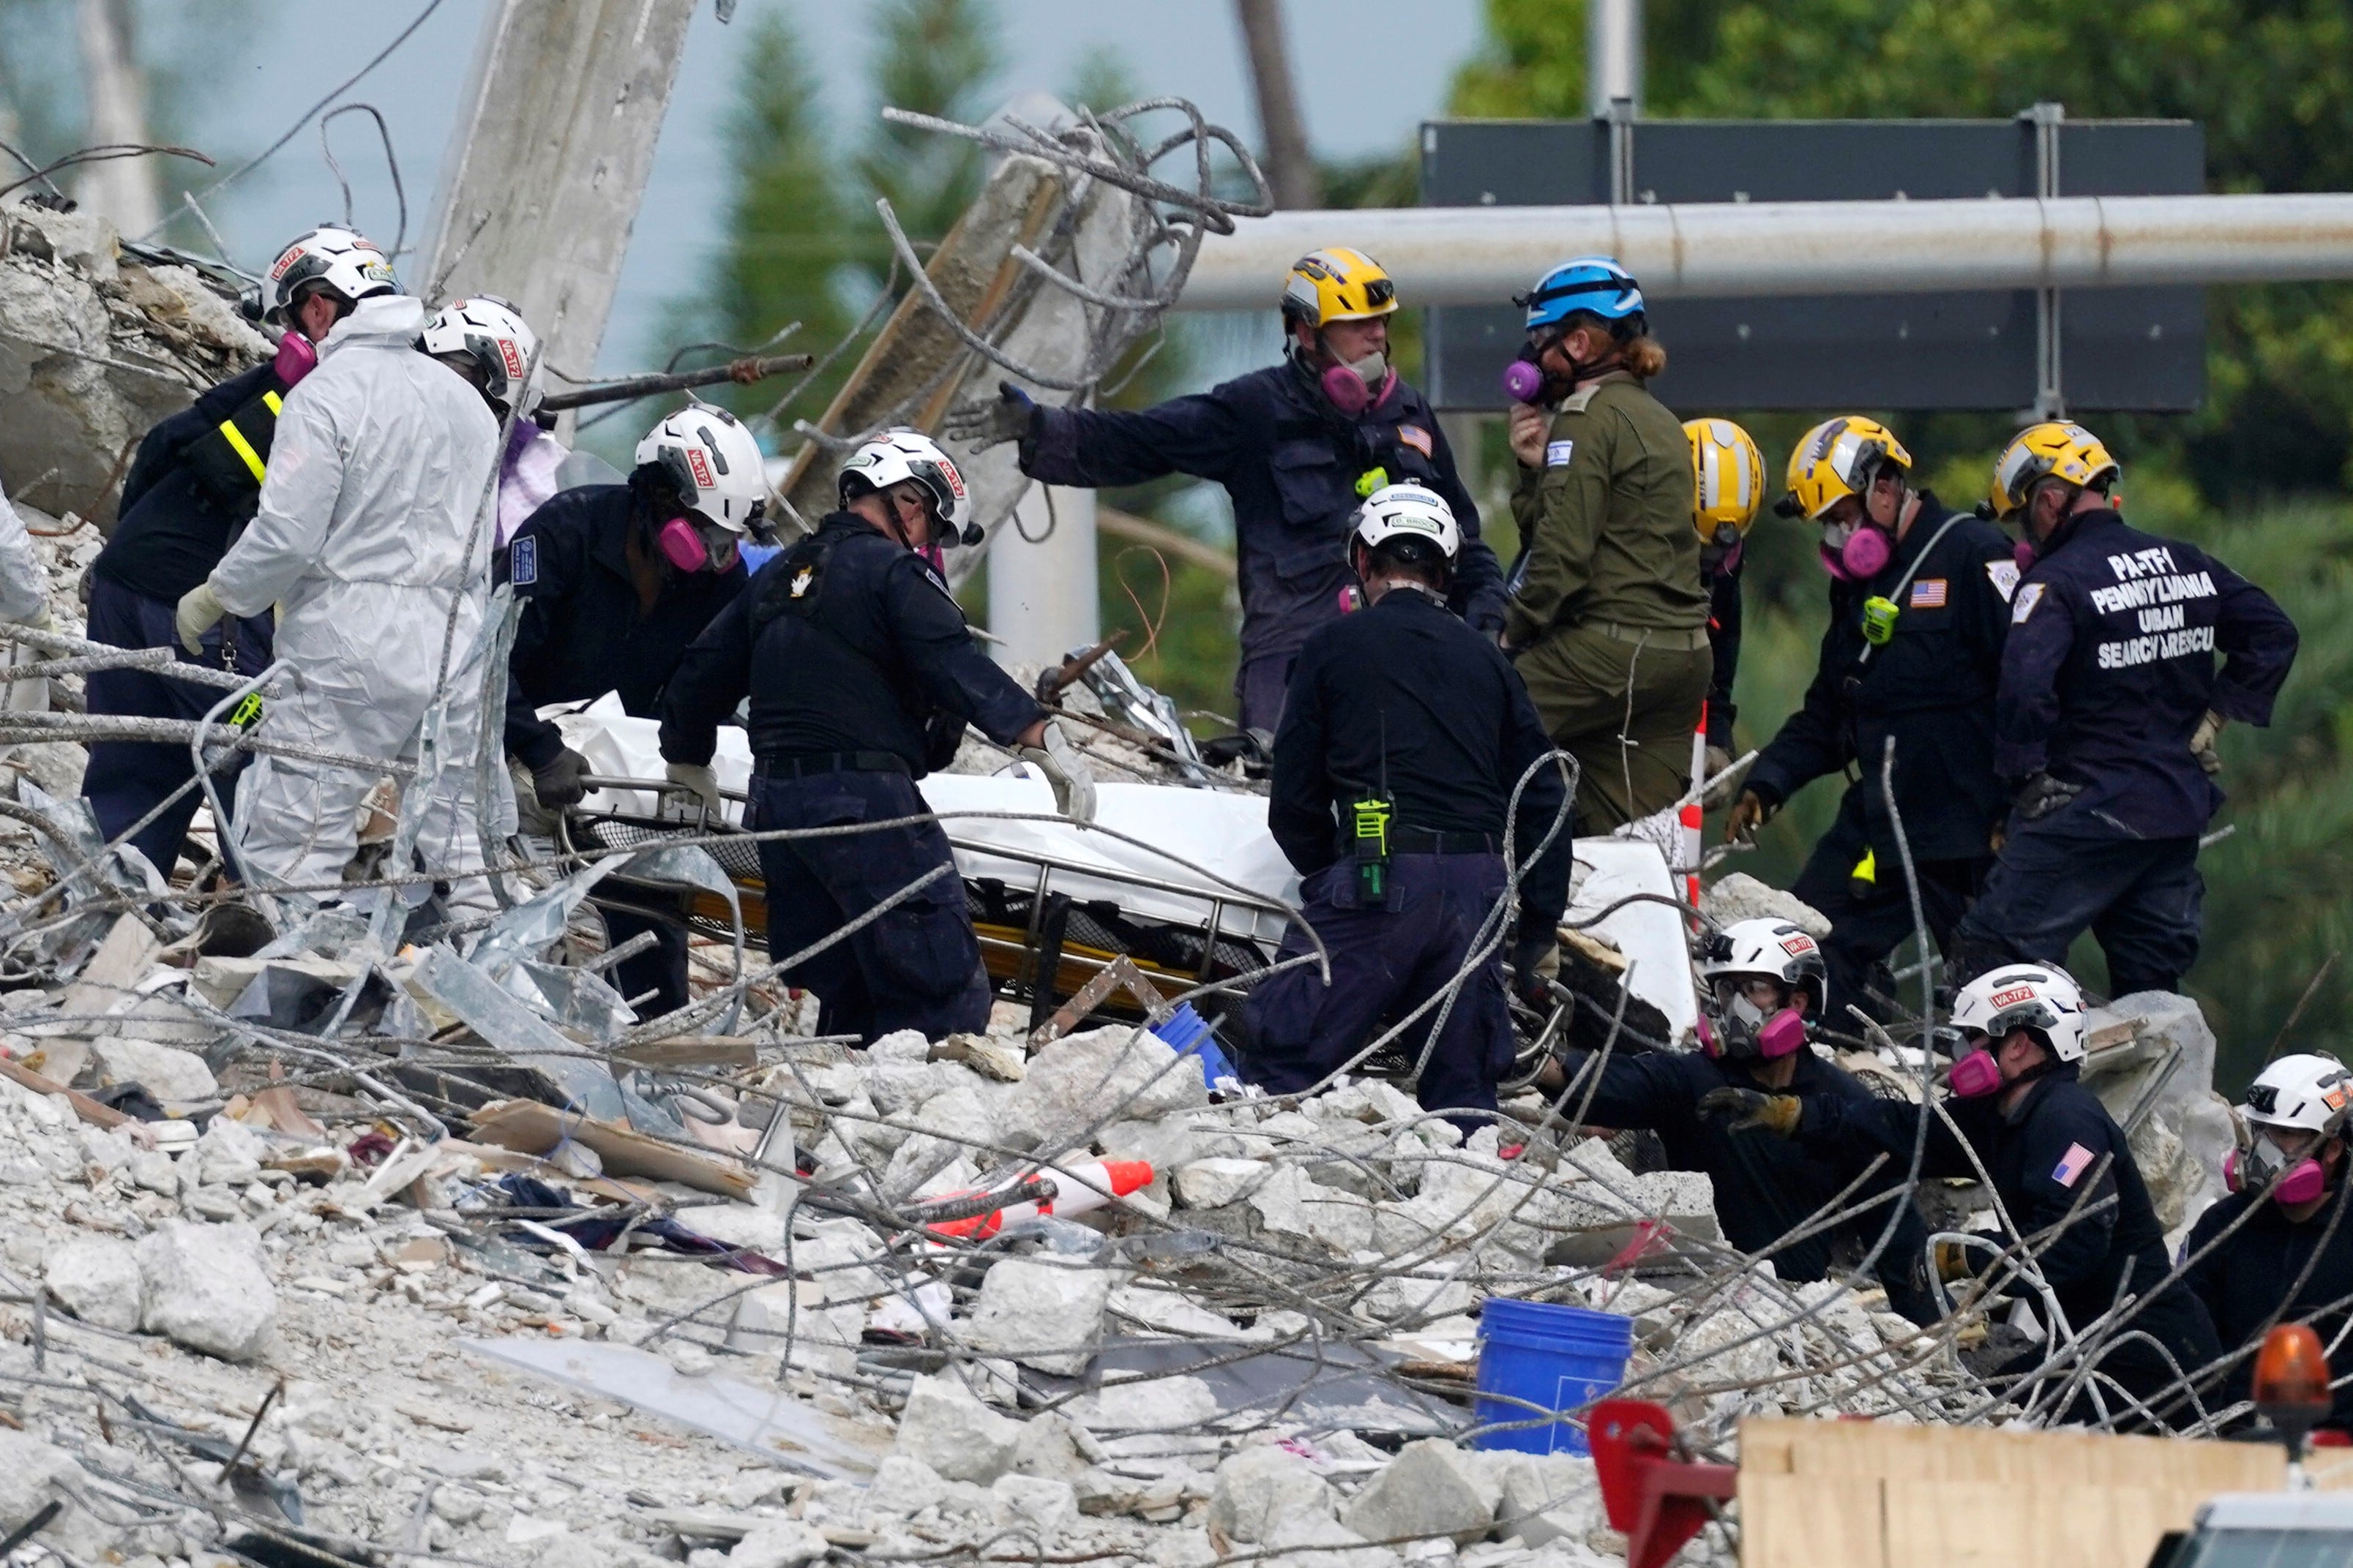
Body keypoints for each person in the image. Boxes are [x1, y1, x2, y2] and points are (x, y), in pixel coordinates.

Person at [943, 247, 1505, 733]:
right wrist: (1039, 428)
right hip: (1292, 668)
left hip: (1410, 655)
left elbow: (1467, 542)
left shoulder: (1412, 414)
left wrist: (1483, 625)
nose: (1377, 336)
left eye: (1380, 321)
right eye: (1358, 324)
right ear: (1306, 332)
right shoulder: (1254, 410)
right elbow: (1142, 440)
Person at [659, 430, 1096, 1043]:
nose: (925, 544)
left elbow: (698, 675)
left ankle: (850, 1120)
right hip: (862, 806)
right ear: (910, 501)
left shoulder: (780, 575)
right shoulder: (894, 573)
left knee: (851, 988)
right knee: (939, 987)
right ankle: (922, 1122)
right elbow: (953, 665)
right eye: (929, 526)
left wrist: (687, 759)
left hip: (778, 811)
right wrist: (1041, 739)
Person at [1704, 963, 2219, 1427]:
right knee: (1988, 1408)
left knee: (2002, 1427)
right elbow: (1901, 1128)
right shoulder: (2003, 1117)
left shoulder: (2067, 1120)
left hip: (2149, 1356)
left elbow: (2074, 1238)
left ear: (2016, 1044)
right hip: (2088, 1347)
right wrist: (1793, 1114)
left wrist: (1966, 1255)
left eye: (1972, 1038)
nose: (1961, 1053)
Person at [1237, 483, 1569, 1131]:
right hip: (1477, 888)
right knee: (1465, 1100)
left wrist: (1337, 879)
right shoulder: (1488, 660)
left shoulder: (1332, 645)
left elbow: (1294, 802)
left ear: (1362, 561)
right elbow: (1543, 793)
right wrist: (1537, 929)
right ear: (1445, 569)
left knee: (1281, 1067)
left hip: (1377, 864)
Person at [174, 267, 502, 915]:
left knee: (297, 841)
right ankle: (501, 982)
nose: (292, 337)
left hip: (351, 638)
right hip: (457, 639)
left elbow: (289, 536)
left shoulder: (325, 395)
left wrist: (220, 594)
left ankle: (279, 990)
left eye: (293, 319)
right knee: (464, 841)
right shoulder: (467, 401)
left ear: (319, 309)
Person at [78, 225, 391, 880]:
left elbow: (161, 449)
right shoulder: (363, 406)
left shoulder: (269, 389)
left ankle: (109, 912)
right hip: (205, 615)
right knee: (261, 775)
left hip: (123, 588)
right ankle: (269, 930)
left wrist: (118, 554)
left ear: (313, 311)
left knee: (132, 769)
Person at [1949, 423, 2299, 997]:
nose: (2025, 536)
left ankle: (2007, 1085)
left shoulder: (2053, 582)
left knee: (1991, 958)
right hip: (2173, 812)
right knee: (2151, 986)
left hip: (2086, 807)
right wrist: (2215, 716)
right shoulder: (2187, 562)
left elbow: (2023, 687)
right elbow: (2273, 633)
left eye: (2022, 515)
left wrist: (2022, 779)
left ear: (2050, 499)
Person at [1726, 417, 2015, 1020]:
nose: (1834, 534)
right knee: (1799, 954)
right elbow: (1831, 707)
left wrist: (2017, 805)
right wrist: (1766, 781)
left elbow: (2030, 689)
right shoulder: (1857, 587)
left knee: (1994, 991)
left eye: (1840, 513)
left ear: (1885, 485)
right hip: (1880, 826)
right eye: (1825, 523)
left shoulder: (1973, 555)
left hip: (1965, 831)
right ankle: (1835, 1078)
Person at [500, 405, 762, 1018]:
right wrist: (537, 747)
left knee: (650, 915)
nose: (717, 554)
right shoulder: (565, 530)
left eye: (730, 542)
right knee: (516, 918)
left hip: (624, 784)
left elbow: (714, 687)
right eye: (706, 533)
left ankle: (652, 1031)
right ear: (659, 497)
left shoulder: (717, 584)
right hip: (521, 764)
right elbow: (489, 659)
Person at [1549, 918, 1936, 1321]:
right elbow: (1599, 1083)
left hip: (1795, 1311)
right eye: (1727, 989)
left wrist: (1930, 1336)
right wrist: (1527, 1059)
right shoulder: (1690, 1079)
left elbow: (1898, 1241)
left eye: (1755, 989)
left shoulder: (1844, 1105)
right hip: (1695, 1297)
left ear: (1798, 1001)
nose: (1738, 1006)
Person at [1501, 257, 1710, 832]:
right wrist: (1534, 471)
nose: (1532, 361)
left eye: (1540, 341)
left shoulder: (1584, 417)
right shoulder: (1659, 418)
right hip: (1682, 659)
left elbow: (1559, 558)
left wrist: (1506, 634)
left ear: (1576, 342)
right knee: (1613, 835)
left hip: (1610, 655)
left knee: (1464, 722)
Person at [2179, 1053, 2353, 1433]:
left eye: (2285, 1135)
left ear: (2333, 1149)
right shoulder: (2223, 1226)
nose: (2263, 1149)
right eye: (2259, 1131)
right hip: (2234, 1438)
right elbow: (2185, 1339)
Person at [1686, 418, 1765, 785]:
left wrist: (1717, 742)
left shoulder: (1725, 570)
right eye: (1704, 551)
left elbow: (1722, 655)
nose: (1713, 564)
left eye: (1724, 551)